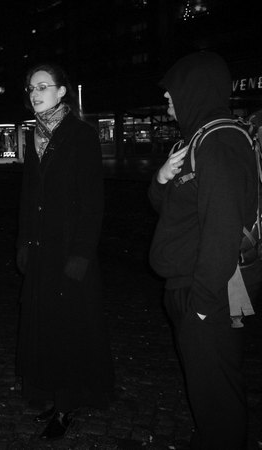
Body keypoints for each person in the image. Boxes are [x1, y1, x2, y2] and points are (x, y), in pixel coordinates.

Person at [149, 51, 256, 449]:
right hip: (191, 284)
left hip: (209, 293)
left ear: (194, 89)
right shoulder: (195, 139)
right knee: (207, 387)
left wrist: (201, 305)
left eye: (172, 90)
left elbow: (222, 231)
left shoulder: (219, 141)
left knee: (217, 393)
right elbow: (167, 208)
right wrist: (162, 178)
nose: (167, 98)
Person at [16, 62, 114, 441]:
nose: (35, 93)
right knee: (46, 326)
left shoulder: (81, 135)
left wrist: (81, 254)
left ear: (61, 92)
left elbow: (93, 202)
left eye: (43, 86)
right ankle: (52, 394)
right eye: (31, 88)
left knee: (71, 327)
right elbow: (28, 196)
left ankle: (68, 403)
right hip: (41, 249)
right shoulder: (34, 135)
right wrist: (23, 242)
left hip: (70, 250)